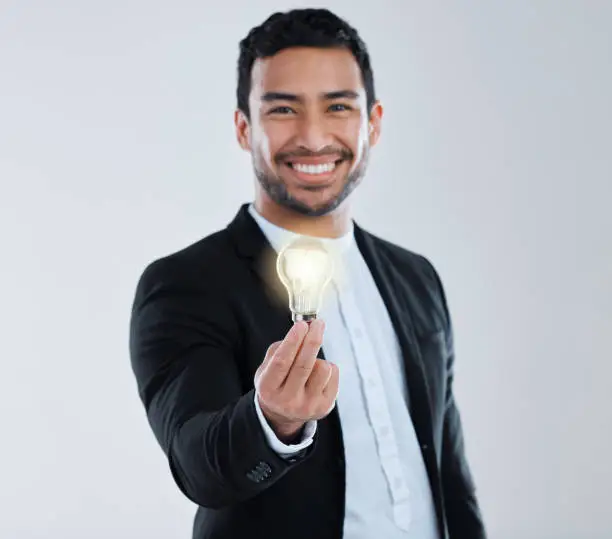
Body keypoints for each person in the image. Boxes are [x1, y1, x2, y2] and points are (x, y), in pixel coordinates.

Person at [129, 8, 487, 539]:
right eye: (283, 110)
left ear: (374, 122)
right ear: (243, 128)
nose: (314, 137)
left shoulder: (417, 278)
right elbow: (197, 462)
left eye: (338, 106)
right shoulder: (185, 284)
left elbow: (450, 472)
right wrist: (270, 422)